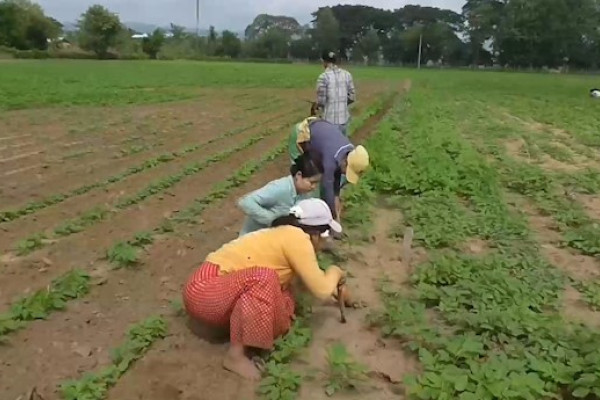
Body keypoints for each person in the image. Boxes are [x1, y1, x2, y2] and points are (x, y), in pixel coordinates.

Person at [182, 198, 351, 380]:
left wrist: (340, 293)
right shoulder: (297, 239)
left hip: (216, 290)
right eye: (326, 236)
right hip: (204, 291)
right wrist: (335, 272)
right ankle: (235, 356)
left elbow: (311, 281)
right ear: (317, 233)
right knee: (265, 279)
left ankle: (244, 333)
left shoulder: (286, 234)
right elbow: (321, 290)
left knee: (285, 298)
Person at [293, 119, 370, 234]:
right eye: (347, 171)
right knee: (303, 181)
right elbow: (327, 191)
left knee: (316, 185)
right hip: (301, 135)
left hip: (319, 131)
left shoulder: (348, 151)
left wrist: (336, 203)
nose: (345, 173)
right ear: (345, 162)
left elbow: (336, 181)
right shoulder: (330, 161)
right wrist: (333, 217)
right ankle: (298, 219)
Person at [237, 153, 322, 236]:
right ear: (298, 175)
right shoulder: (280, 188)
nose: (314, 187)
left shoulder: (304, 194)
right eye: (311, 182)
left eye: (317, 183)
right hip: (253, 238)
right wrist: (272, 220)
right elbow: (246, 202)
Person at [316, 50, 356, 136]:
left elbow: (321, 101)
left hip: (329, 121)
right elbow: (352, 97)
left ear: (324, 62)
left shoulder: (323, 77)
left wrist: (317, 105)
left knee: (329, 144)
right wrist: (342, 103)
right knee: (342, 143)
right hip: (344, 120)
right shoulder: (347, 75)